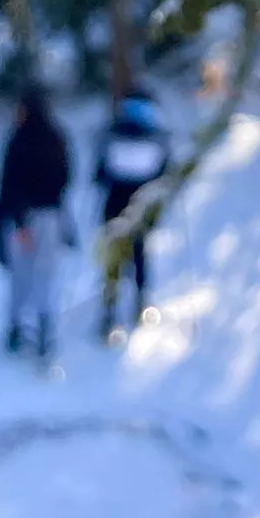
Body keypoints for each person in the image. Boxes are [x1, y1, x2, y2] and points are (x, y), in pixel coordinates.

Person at [0, 87, 73, 361]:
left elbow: (8, 184)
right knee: (45, 273)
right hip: (49, 215)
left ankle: (16, 324)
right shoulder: (56, 137)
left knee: (21, 274)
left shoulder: (18, 140)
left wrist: (13, 218)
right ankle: (44, 323)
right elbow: (65, 177)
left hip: (21, 219)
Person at [94, 86, 171, 341]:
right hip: (141, 205)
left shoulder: (112, 130)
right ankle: (140, 303)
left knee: (114, 257)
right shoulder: (156, 133)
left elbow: (100, 173)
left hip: (114, 203)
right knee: (139, 253)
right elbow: (163, 173)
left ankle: (109, 310)